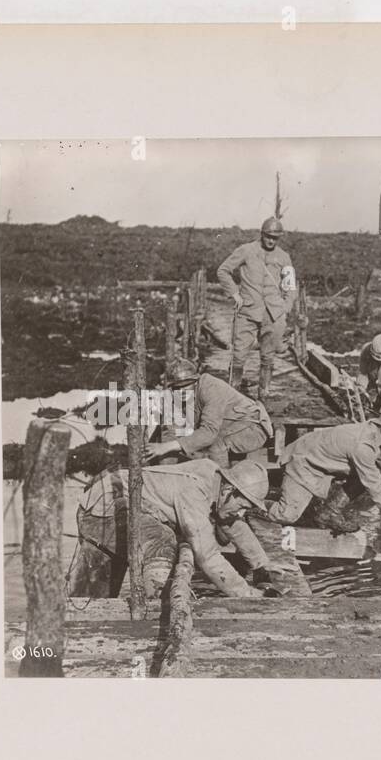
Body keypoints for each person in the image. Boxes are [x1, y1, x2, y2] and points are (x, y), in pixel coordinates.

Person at [66, 458, 275, 599]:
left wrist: (261, 565)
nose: (240, 514)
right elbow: (207, 555)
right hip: (103, 510)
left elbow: (229, 519)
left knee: (99, 596)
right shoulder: (193, 491)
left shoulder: (216, 479)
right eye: (242, 507)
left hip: (120, 503)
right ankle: (156, 607)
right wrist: (245, 593)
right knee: (162, 540)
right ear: (229, 490)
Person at [264, 408, 381, 541]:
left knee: (370, 475)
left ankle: (329, 512)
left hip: (326, 464)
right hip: (303, 461)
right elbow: (377, 490)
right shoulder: (362, 446)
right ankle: (252, 502)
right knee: (286, 515)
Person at [216, 216, 297, 401]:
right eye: (268, 236)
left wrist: (285, 307)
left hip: (273, 314)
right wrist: (235, 294)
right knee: (239, 355)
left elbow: (290, 286)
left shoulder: (284, 257)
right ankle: (233, 395)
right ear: (262, 234)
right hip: (248, 311)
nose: (271, 240)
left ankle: (264, 397)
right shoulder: (246, 250)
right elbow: (223, 270)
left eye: (275, 238)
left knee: (268, 357)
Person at [144, 358, 273, 468]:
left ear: (196, 381)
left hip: (253, 426)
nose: (182, 391)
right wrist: (166, 468)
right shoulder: (174, 396)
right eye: (177, 387)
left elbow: (209, 433)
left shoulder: (211, 387)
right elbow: (170, 432)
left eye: (186, 385)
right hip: (225, 426)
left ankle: (221, 487)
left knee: (216, 444)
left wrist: (166, 447)